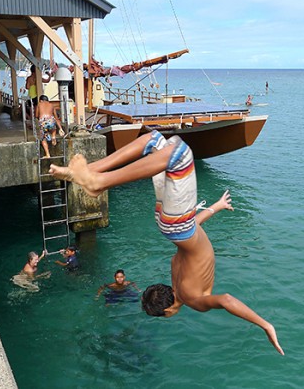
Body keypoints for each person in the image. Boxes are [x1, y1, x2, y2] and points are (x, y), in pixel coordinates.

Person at [48, 131, 284, 355]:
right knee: (157, 141)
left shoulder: (193, 299)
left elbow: (226, 300)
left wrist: (265, 325)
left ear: (169, 310)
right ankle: (86, 173)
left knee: (179, 153)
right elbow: (194, 234)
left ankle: (97, 181)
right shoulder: (175, 275)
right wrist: (216, 207)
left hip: (179, 226)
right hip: (172, 225)